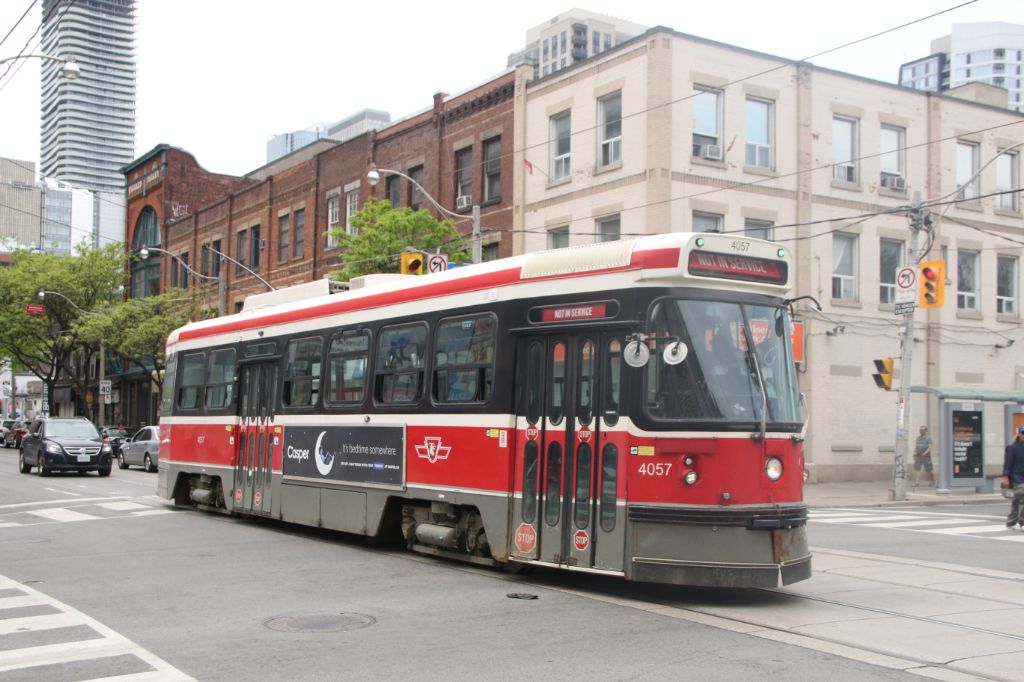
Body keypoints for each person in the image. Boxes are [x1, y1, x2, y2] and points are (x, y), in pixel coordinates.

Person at [1002, 425, 1024, 528]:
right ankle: (1022, 520)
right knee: (1022, 493)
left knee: (1017, 498)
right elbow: (1007, 464)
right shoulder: (1012, 448)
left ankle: (1012, 520)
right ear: (1019, 434)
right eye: (1023, 433)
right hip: (1017, 477)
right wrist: (1005, 477)